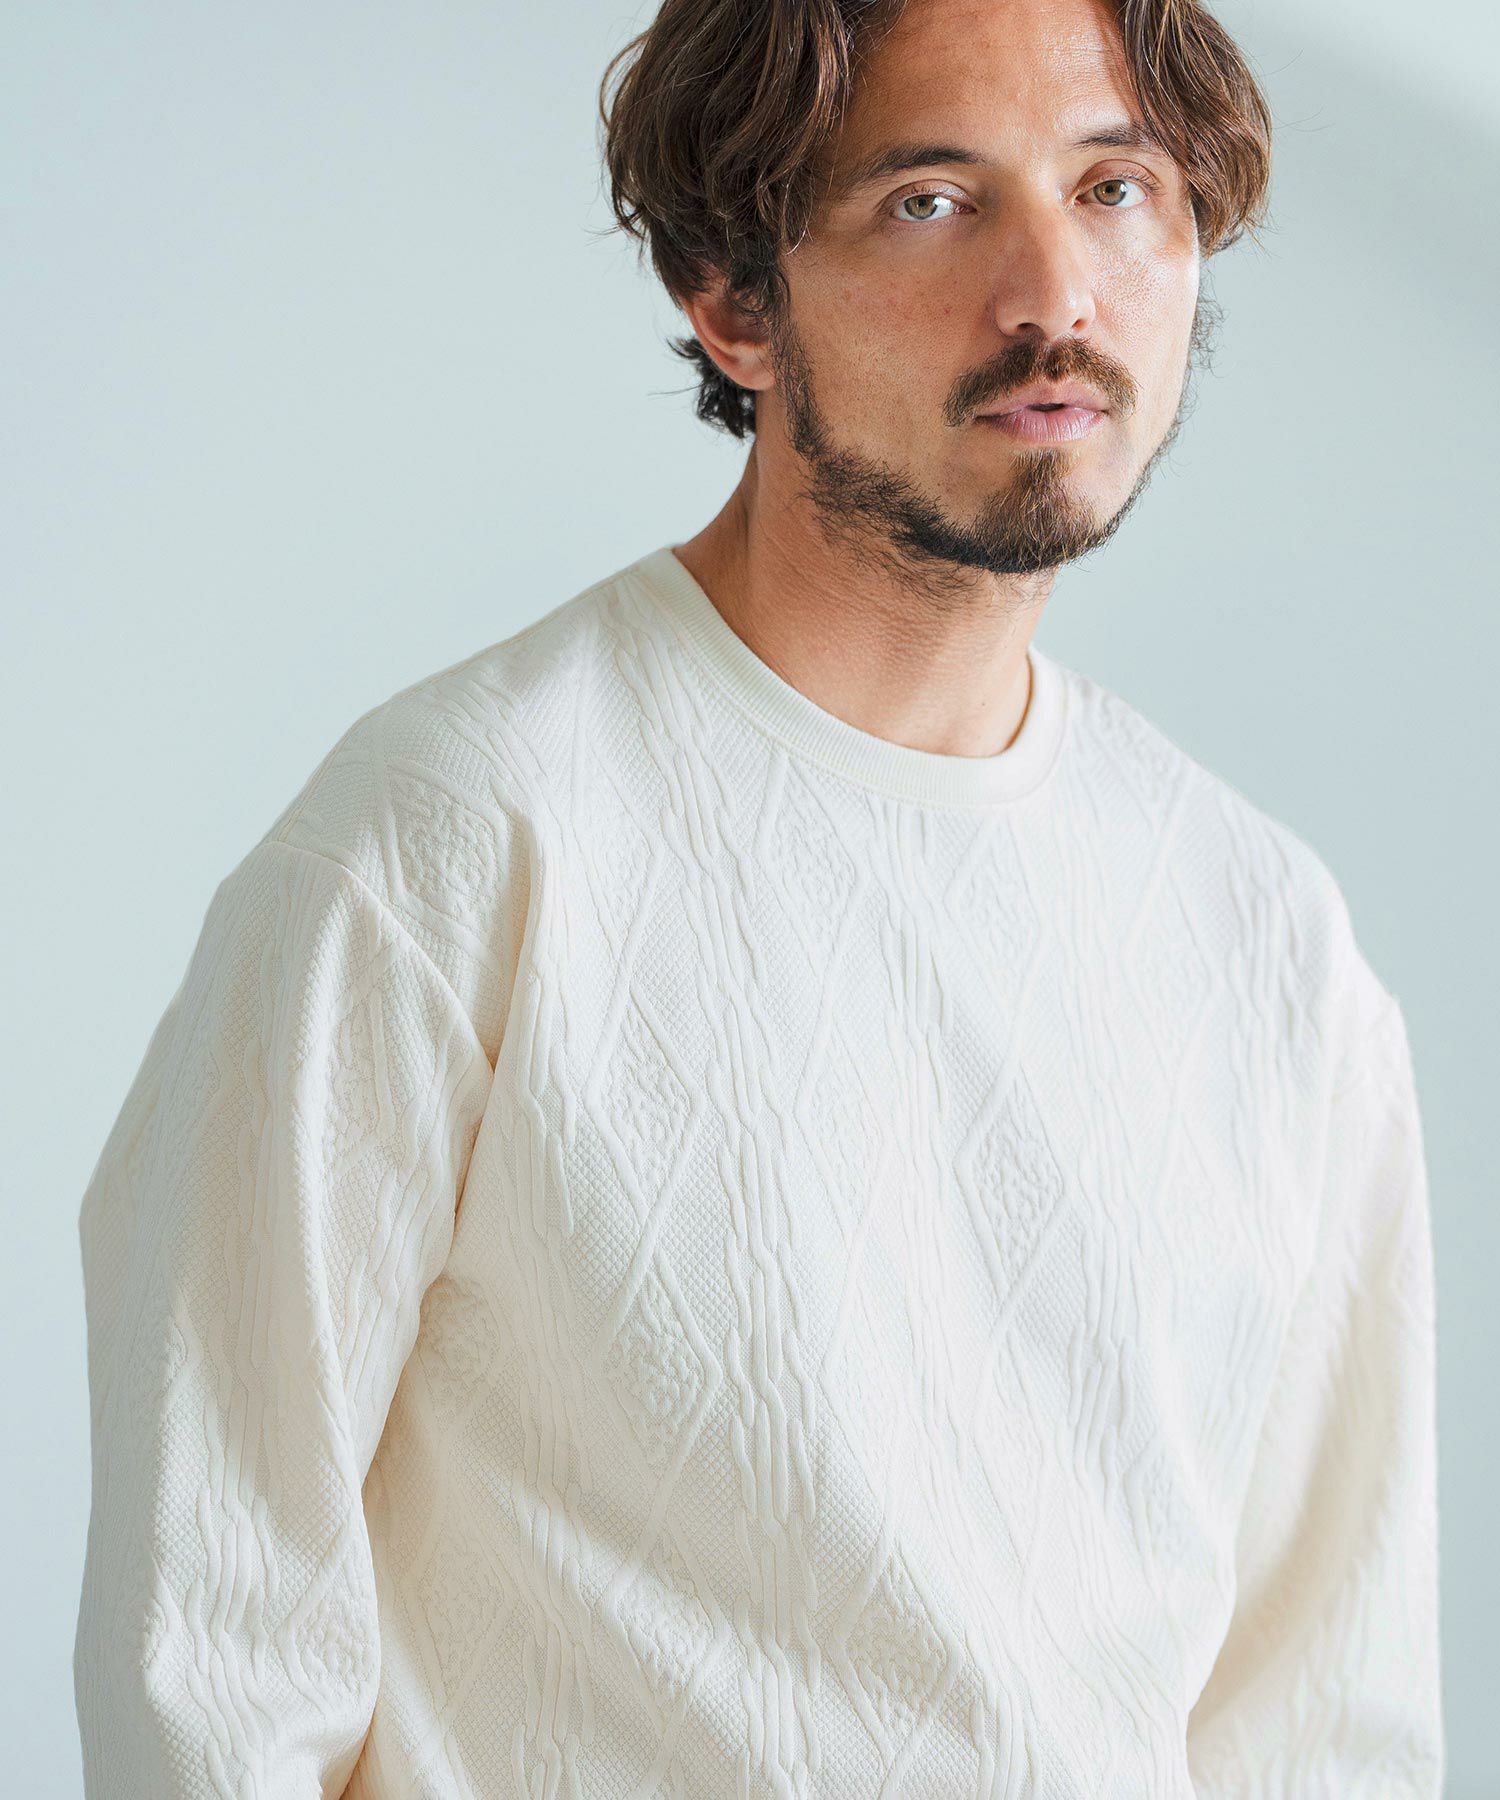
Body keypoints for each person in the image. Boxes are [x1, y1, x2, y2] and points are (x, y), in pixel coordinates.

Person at [74, 0, 1445, 1791]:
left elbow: (1323, 1725)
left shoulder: (1272, 947)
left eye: (1117, 189)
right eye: (933, 201)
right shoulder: (455, 842)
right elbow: (212, 1676)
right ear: (733, 298)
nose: (1055, 293)